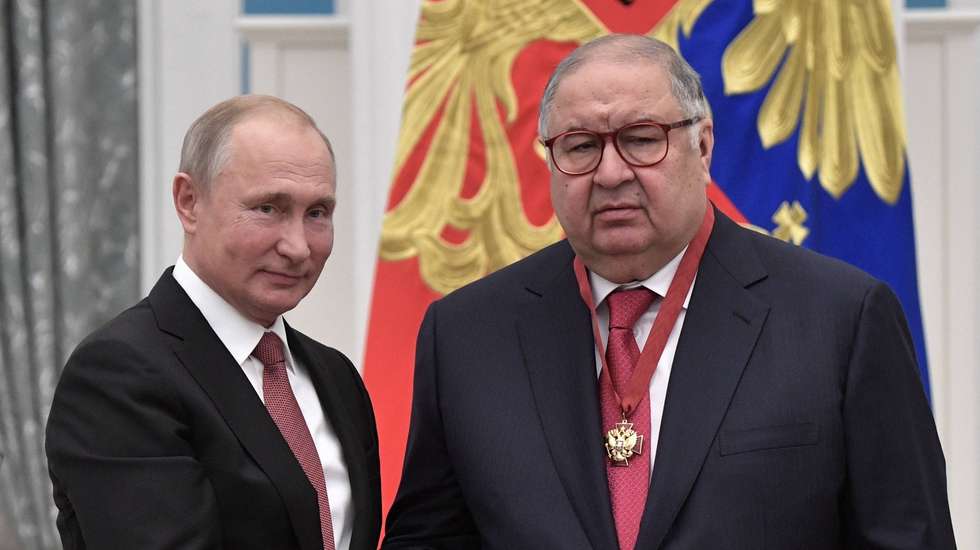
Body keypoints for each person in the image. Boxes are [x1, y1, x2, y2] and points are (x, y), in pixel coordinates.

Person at [381, 35, 955, 549]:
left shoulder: (840, 320)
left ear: (702, 147)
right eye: (580, 147)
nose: (610, 174)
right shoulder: (467, 336)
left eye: (641, 139)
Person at [46, 95, 380, 550]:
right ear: (189, 202)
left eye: (317, 213)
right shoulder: (118, 374)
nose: (298, 246)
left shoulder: (336, 377)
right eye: (268, 208)